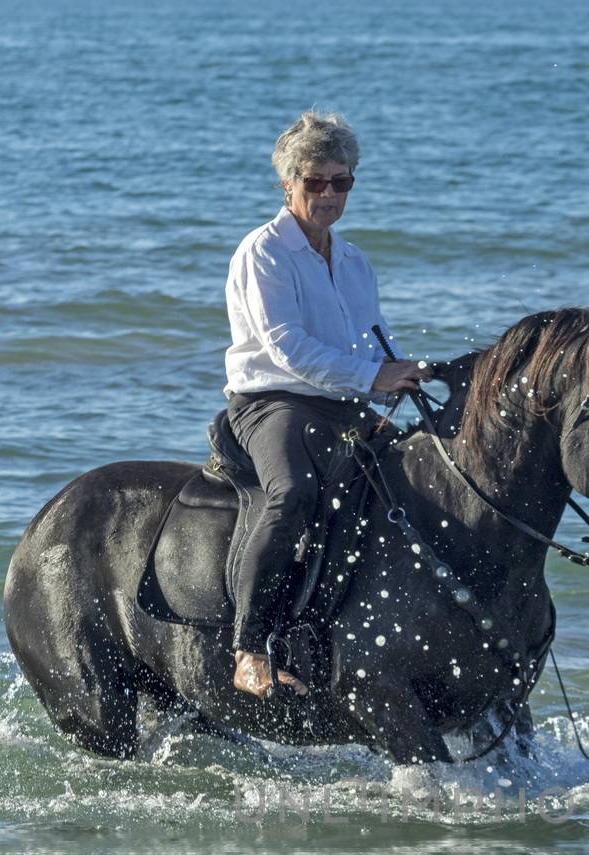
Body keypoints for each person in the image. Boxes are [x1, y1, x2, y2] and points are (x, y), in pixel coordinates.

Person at [223, 109, 427, 699]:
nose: (330, 194)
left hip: (345, 401)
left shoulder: (357, 261)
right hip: (272, 402)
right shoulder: (263, 252)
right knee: (292, 496)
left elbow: (374, 340)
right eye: (316, 181)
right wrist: (375, 376)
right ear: (287, 184)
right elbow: (288, 350)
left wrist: (408, 374)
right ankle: (250, 651)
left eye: (342, 182)